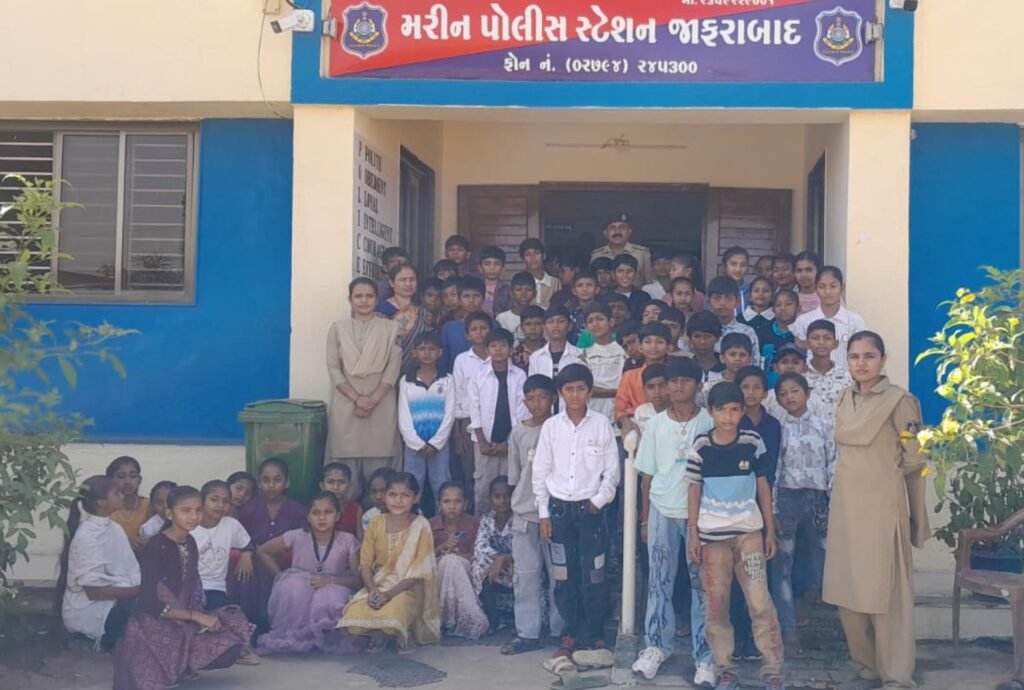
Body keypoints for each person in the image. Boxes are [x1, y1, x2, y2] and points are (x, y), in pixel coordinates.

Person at [824, 332, 929, 689]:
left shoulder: (901, 401)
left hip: (883, 508)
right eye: (854, 356)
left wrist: (910, 510)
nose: (861, 363)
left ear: (882, 360)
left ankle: (896, 675)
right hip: (846, 509)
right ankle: (866, 667)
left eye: (869, 356)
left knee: (888, 594)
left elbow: (914, 459)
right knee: (849, 591)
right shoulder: (844, 397)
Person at [686, 383, 785, 690]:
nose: (728, 417)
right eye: (721, 410)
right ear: (711, 412)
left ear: (742, 411)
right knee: (717, 604)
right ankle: (725, 667)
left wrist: (769, 531)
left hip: (749, 535)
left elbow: (763, 487)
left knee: (759, 601)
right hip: (712, 538)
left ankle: (773, 668)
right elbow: (694, 490)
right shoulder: (701, 445)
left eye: (734, 410)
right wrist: (693, 535)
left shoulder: (752, 442)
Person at [113, 486, 253, 690]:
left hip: (184, 621)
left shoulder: (190, 542)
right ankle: (173, 663)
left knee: (233, 626)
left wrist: (199, 617)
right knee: (147, 678)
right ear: (170, 513)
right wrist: (195, 617)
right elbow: (148, 601)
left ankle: (183, 662)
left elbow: (192, 590)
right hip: (154, 625)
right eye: (186, 511)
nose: (194, 517)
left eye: (198, 510)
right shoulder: (156, 546)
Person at [632, 358, 716, 685]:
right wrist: (644, 519)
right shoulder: (655, 425)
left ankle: (705, 657)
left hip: (702, 515)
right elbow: (647, 476)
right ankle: (656, 646)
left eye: (686, 380)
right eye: (673, 381)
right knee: (659, 581)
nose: (678, 387)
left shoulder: (710, 422)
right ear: (666, 386)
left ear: (698, 385)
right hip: (662, 511)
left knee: (702, 586)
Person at [533, 364, 620, 671]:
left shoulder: (601, 425)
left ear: (590, 391)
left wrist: (598, 502)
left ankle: (595, 634)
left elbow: (612, 472)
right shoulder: (551, 427)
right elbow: (540, 471)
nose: (574, 395)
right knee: (564, 575)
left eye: (580, 389)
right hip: (559, 511)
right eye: (568, 389)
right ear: (560, 393)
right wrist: (544, 513)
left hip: (591, 511)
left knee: (595, 574)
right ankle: (570, 633)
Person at [340, 473, 441, 652]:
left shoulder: (421, 525)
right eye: (393, 494)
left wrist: (390, 594)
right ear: (385, 497)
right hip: (378, 584)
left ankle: (402, 631)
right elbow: (365, 563)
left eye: (405, 495)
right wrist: (373, 591)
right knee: (354, 617)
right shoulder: (376, 523)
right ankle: (382, 633)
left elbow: (419, 571)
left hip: (408, 588)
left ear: (415, 498)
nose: (398, 501)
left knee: (393, 612)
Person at [772, 372, 835, 657]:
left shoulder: (824, 425)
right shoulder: (778, 427)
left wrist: (833, 500)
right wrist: (773, 507)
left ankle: (812, 593)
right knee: (783, 563)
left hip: (818, 497)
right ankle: (788, 629)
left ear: (807, 393)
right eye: (783, 394)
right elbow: (774, 469)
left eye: (794, 391)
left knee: (823, 551)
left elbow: (833, 462)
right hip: (787, 497)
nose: (789, 397)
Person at [257, 492, 363, 655]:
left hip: (335, 585)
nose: (322, 518)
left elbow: (358, 580)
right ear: (308, 517)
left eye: (328, 512)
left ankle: (324, 639)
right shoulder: (296, 536)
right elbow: (262, 551)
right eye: (316, 513)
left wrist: (330, 581)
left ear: (337, 516)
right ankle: (295, 637)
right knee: (293, 585)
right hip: (301, 585)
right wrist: (282, 577)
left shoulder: (347, 540)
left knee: (328, 596)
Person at [503, 375, 565, 655]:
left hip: (557, 513)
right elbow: (515, 476)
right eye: (530, 398)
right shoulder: (518, 432)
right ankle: (527, 633)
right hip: (526, 513)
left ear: (553, 398)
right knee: (526, 575)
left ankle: (560, 630)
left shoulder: (561, 428)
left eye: (542, 397)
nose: (536, 403)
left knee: (559, 575)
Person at [327, 277, 403, 492]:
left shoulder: (392, 329)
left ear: (377, 300)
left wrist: (372, 400)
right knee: (344, 477)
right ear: (350, 300)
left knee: (381, 476)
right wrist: (357, 399)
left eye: (369, 296)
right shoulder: (337, 329)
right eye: (358, 296)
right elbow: (333, 368)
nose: (364, 300)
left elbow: (392, 370)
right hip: (346, 406)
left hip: (381, 406)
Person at [730, 366, 782, 661]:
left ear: (765, 392)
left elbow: (774, 467)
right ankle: (739, 636)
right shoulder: (731, 423)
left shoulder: (773, 425)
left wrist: (772, 512)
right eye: (745, 387)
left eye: (756, 387)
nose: (750, 393)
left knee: (761, 574)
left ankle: (759, 638)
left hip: (764, 502)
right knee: (736, 575)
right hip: (735, 505)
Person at [59, 476, 141, 651]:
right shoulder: (86, 536)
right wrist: (141, 591)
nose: (122, 495)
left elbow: (129, 570)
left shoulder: (115, 529)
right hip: (92, 611)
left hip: (120, 598)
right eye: (116, 493)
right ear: (101, 503)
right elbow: (95, 592)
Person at [236, 458, 307, 631]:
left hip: (285, 562)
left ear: (287, 482)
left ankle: (277, 623)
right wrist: (246, 552)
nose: (272, 485)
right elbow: (239, 537)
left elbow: (302, 540)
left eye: (278, 480)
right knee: (250, 568)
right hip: (254, 561)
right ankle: (252, 623)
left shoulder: (296, 509)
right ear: (259, 482)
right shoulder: (249, 509)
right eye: (266, 480)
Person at [468, 328, 529, 513]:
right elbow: (474, 410)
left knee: (511, 486)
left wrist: (509, 443)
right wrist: (482, 441)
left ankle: (511, 526)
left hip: (512, 442)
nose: (498, 349)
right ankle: (482, 525)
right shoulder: (478, 375)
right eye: (493, 346)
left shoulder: (519, 376)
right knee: (483, 487)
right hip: (484, 441)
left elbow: (521, 413)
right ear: (487, 349)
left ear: (510, 349)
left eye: (503, 345)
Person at [398, 331, 456, 502]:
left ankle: (442, 517)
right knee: (412, 485)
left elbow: (450, 414)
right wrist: (415, 443)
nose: (427, 353)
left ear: (440, 352)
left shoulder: (447, 380)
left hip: (439, 444)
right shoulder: (406, 381)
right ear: (414, 353)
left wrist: (436, 442)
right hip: (413, 445)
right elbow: (404, 415)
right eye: (422, 349)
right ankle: (411, 515)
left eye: (431, 349)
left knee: (441, 484)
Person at [431, 481, 488, 639]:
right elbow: (423, 557)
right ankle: (446, 618)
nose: (452, 506)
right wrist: (442, 547)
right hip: (438, 571)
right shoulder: (430, 525)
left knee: (453, 562)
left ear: (466, 504)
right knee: (449, 562)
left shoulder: (475, 524)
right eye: (446, 501)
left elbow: (481, 553)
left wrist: (462, 555)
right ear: (438, 504)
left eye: (457, 501)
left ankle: (459, 620)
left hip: (467, 570)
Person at [193, 480, 254, 611]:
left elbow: (247, 544)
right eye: (214, 500)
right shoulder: (190, 525)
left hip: (215, 587)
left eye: (226, 501)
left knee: (220, 616)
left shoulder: (231, 525)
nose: (220, 505)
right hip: (188, 586)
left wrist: (246, 554)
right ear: (202, 501)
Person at [452, 310, 493, 500]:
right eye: (474, 329)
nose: (479, 332)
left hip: (494, 419)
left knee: (492, 471)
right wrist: (458, 432)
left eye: (483, 328)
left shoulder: (499, 356)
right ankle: (472, 511)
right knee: (470, 472)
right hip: (468, 421)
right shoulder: (462, 360)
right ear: (467, 335)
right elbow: (458, 394)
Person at [791, 266, 866, 371]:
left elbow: (862, 353)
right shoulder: (803, 321)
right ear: (816, 289)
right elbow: (797, 357)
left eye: (833, 286)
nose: (827, 292)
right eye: (822, 287)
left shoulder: (855, 321)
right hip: (811, 379)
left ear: (842, 288)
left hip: (846, 379)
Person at [471, 476, 516, 632]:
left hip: (515, 566)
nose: (502, 501)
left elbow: (525, 550)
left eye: (507, 496)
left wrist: (505, 559)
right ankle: (493, 617)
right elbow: (480, 546)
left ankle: (521, 620)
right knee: (478, 565)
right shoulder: (486, 519)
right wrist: (498, 560)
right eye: (497, 496)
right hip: (496, 569)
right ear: (490, 498)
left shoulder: (520, 519)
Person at [615, 323, 671, 439]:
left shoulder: (676, 376)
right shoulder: (629, 377)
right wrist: (625, 422)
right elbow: (620, 411)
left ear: (669, 347)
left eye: (660, 342)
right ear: (640, 347)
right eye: (648, 342)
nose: (653, 346)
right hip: (639, 432)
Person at [375, 263, 430, 374]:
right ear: (391, 283)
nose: (408, 284)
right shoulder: (381, 310)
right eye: (402, 280)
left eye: (412, 279)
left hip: (415, 374)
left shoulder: (422, 312)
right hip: (386, 373)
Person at [578, 303, 626, 428]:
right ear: (586, 327)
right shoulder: (584, 355)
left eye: (600, 319)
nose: (595, 324)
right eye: (590, 321)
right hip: (593, 416)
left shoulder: (624, 351)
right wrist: (617, 392)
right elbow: (585, 388)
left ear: (611, 322)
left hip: (622, 415)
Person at [804, 319, 853, 426]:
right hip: (809, 433)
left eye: (827, 338)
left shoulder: (845, 375)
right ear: (807, 343)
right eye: (815, 338)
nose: (821, 342)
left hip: (839, 432)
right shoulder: (801, 375)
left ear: (836, 344)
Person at [708, 276, 762, 367]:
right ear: (708, 302)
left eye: (728, 298)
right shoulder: (702, 331)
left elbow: (755, 365)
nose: (722, 303)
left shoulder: (747, 332)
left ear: (738, 302)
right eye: (717, 298)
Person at [529, 306, 582, 394]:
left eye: (561, 321)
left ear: (569, 326)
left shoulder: (580, 355)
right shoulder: (535, 357)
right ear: (544, 327)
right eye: (550, 322)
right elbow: (533, 387)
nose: (555, 326)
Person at [590, 214, 653, 287]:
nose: (617, 232)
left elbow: (649, 284)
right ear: (605, 233)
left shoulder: (641, 253)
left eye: (622, 228)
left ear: (629, 232)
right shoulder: (596, 255)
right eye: (612, 228)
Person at [441, 276, 487, 373]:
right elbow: (443, 361)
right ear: (459, 299)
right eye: (466, 296)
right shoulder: (449, 328)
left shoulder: (493, 325)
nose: (471, 300)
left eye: (476, 296)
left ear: (483, 298)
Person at [106, 456, 150, 552]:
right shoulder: (106, 509)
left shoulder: (150, 506)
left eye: (133, 476)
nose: (127, 482)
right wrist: (124, 541)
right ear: (110, 480)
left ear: (139, 480)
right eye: (121, 477)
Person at [762, 289, 799, 383]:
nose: (783, 308)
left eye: (788, 304)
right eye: (778, 305)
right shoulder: (763, 332)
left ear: (798, 308)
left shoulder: (801, 333)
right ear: (773, 310)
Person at [320, 462, 363, 537]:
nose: (336, 487)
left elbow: (360, 537)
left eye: (341, 482)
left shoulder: (356, 509)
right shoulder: (315, 508)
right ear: (322, 486)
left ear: (349, 486)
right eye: (330, 482)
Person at [496, 271, 537, 345]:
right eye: (518, 290)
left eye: (529, 290)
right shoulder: (502, 318)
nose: (523, 294)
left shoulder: (541, 315)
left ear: (535, 293)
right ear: (511, 293)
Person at [740, 276, 777, 351]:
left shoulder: (777, 320)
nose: (761, 293)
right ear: (750, 296)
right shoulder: (740, 320)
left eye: (766, 291)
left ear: (772, 296)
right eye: (756, 291)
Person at [520, 238, 559, 309]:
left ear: (544, 256)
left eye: (537, 253)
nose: (533, 258)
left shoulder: (555, 283)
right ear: (523, 259)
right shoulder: (520, 282)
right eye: (527, 255)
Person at [632, 363, 669, 435]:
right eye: (650, 387)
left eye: (662, 386)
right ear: (644, 390)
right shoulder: (641, 411)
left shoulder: (678, 412)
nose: (657, 392)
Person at [612, 253, 651, 321]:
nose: (625, 275)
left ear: (635, 273)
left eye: (629, 271)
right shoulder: (606, 297)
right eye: (620, 271)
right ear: (613, 273)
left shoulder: (643, 297)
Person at [687, 311, 723, 381]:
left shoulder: (727, 368)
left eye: (708, 336)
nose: (702, 341)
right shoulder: (685, 368)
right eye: (697, 336)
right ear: (690, 338)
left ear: (717, 338)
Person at [511, 305, 547, 373]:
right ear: (522, 327)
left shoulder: (551, 350)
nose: (532, 328)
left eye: (537, 324)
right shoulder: (515, 354)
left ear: (544, 326)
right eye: (528, 324)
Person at [478, 245, 511, 317]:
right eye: (487, 264)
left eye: (497, 264)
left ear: (503, 268)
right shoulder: (475, 287)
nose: (492, 268)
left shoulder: (508, 290)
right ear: (480, 267)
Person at [567, 271, 600, 344]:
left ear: (597, 289)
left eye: (589, 285)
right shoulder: (569, 313)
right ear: (574, 291)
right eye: (580, 285)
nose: (584, 289)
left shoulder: (604, 313)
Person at [361, 467, 396, 533]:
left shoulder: (410, 517)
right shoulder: (369, 516)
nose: (378, 497)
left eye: (383, 491)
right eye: (374, 491)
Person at [720, 246, 751, 312]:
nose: (738, 269)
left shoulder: (751, 290)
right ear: (724, 266)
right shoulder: (715, 289)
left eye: (743, 265)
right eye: (733, 264)